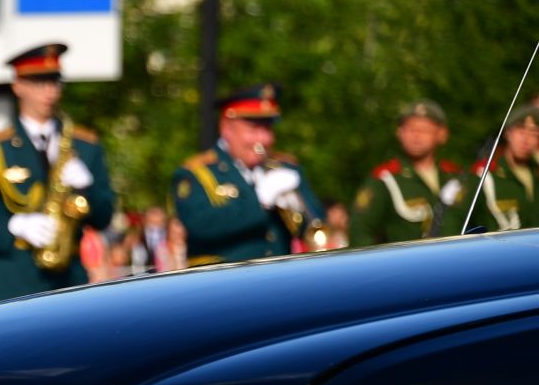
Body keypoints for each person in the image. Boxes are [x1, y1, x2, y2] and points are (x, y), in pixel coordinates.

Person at [0, 44, 115, 299]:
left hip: (71, 279)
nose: (49, 92)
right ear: (17, 86)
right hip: (15, 280)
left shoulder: (84, 145)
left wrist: (87, 189)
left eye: (54, 82)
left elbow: (104, 216)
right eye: (38, 83)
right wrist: (12, 225)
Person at [173, 85, 327, 266]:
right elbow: (201, 226)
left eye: (268, 129)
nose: (263, 140)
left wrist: (297, 208)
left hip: (279, 278)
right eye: (253, 129)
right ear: (226, 128)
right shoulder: (196, 172)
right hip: (221, 283)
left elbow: (316, 226)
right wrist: (259, 201)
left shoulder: (284, 167)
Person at [349, 100, 472, 247]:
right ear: (399, 133)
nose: (416, 136)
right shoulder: (385, 180)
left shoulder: (457, 176)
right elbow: (360, 231)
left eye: (424, 129)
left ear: (442, 134)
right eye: (410, 129)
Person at [470, 104, 536, 233]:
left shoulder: (536, 174)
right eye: (520, 130)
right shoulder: (484, 174)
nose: (526, 138)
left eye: (533, 133)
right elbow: (457, 220)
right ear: (508, 133)